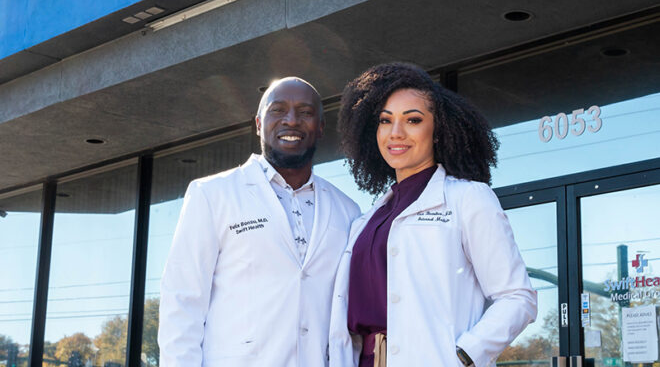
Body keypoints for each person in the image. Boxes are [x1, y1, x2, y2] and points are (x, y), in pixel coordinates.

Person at [328, 63, 537, 367]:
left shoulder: (468, 199)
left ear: (438, 130)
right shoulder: (366, 221)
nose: (396, 133)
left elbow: (518, 298)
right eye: (386, 121)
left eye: (413, 120)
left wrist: (463, 355)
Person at [159, 77, 361, 367]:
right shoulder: (212, 195)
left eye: (305, 112)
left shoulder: (348, 211)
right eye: (278, 110)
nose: (291, 121)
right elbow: (182, 302)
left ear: (320, 127)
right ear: (258, 123)